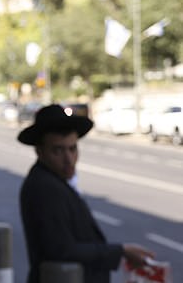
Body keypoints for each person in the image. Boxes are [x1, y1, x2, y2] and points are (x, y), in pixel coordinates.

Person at [18, 104, 154, 283]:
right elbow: (61, 250)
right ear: (40, 152)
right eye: (58, 150)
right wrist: (122, 251)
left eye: (72, 149)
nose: (68, 159)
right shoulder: (44, 187)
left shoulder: (54, 181)